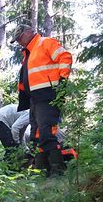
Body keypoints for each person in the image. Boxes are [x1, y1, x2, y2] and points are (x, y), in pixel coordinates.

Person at [11, 23, 73, 177]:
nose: (19, 41)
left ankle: (58, 171)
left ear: (29, 32)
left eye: (19, 37)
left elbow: (65, 57)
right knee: (36, 135)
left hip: (48, 95)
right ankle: (41, 171)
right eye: (17, 39)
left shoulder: (45, 43)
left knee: (47, 133)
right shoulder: (28, 54)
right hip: (35, 99)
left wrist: (62, 81)